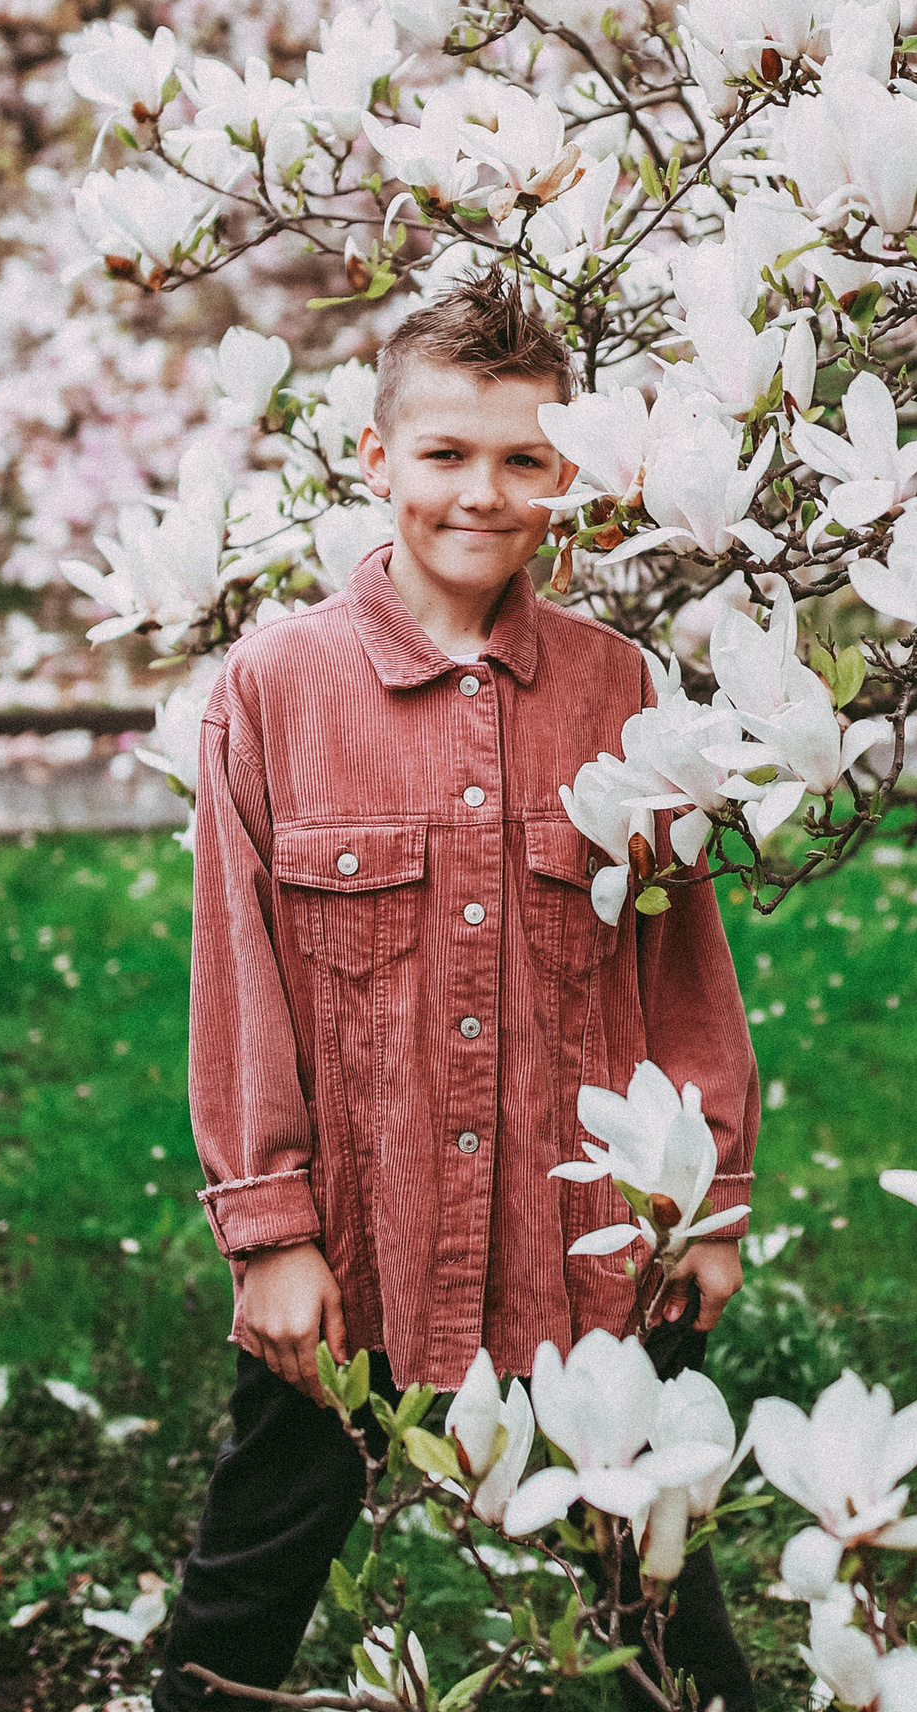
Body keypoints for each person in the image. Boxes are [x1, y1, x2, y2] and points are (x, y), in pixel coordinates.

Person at [153, 278, 760, 1711]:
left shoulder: (621, 694)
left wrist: (705, 1204)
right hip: (360, 1252)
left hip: (584, 1254)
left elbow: (680, 963)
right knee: (244, 1596)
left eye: (522, 459)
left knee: (665, 1610)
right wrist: (270, 1235)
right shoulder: (274, 690)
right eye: (445, 454)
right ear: (378, 460)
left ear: (568, 473)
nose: (482, 494)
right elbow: (238, 984)